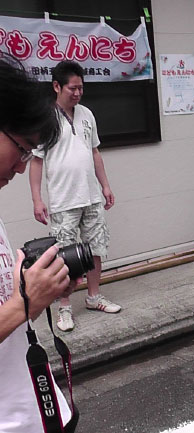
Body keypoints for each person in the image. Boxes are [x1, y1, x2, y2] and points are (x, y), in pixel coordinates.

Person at [0, 54, 77, 432]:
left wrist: (33, 288)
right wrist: (24, 303)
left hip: (29, 407)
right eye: (23, 148)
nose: (21, 166)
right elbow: (15, 308)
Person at [29, 60, 120, 332]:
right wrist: (37, 199)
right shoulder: (45, 118)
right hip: (63, 199)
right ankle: (65, 307)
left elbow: (95, 153)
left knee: (95, 249)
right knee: (65, 257)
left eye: (81, 88)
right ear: (57, 86)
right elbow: (36, 161)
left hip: (90, 195)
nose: (78, 93)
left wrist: (105, 185)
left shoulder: (87, 114)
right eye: (72, 88)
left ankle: (93, 297)